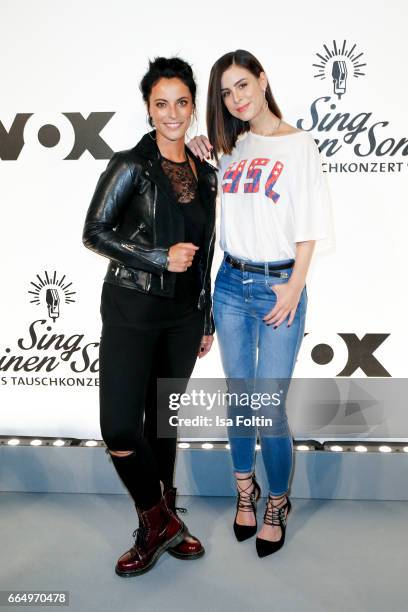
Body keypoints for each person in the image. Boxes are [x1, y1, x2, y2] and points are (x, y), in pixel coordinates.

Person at [187, 49, 332, 557]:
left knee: (268, 407)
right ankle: (243, 492)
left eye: (243, 85)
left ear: (263, 80)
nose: (236, 99)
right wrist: (198, 143)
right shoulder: (230, 147)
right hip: (230, 285)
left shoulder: (298, 145)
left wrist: (294, 287)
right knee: (240, 399)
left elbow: (311, 225)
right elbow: (201, 171)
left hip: (278, 286)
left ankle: (277, 500)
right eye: (226, 93)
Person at [82, 56, 217, 576]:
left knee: (163, 423)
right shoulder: (130, 165)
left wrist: (203, 316)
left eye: (182, 102)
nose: (173, 113)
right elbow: (94, 231)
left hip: (183, 318)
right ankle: (161, 521)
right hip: (131, 311)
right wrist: (159, 258)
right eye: (162, 103)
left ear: (191, 108)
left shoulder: (204, 175)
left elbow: (205, 250)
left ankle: (156, 527)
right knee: (120, 425)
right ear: (148, 108)